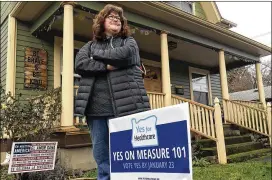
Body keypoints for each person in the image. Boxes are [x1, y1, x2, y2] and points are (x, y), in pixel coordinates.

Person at [74, 4, 150, 180]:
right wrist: (107, 66)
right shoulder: (89, 46)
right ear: (101, 21)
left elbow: (126, 55)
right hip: (96, 109)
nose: (117, 19)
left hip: (126, 108)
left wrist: (97, 56)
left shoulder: (128, 42)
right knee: (102, 155)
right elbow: (80, 64)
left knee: (128, 152)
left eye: (119, 18)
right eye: (111, 16)